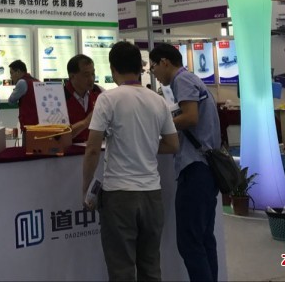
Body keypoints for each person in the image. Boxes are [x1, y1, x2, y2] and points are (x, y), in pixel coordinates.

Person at [83, 41, 178, 281]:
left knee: (121, 270)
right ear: (140, 67)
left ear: (113, 68)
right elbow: (172, 144)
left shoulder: (108, 99)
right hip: (152, 194)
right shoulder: (158, 100)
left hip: (119, 195)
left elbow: (93, 148)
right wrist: (145, 145)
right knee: (151, 267)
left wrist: (86, 188)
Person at [149, 42, 221, 282]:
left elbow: (190, 117)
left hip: (195, 168)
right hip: (206, 169)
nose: (154, 74)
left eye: (153, 67)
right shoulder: (192, 79)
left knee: (190, 241)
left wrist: (160, 126)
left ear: (164, 62)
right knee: (203, 238)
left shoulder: (182, 80)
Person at [64, 54, 103, 142]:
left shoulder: (99, 92)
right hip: (69, 149)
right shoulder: (60, 97)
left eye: (93, 74)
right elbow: (57, 136)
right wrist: (85, 122)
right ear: (72, 76)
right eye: (86, 75)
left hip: (96, 148)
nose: (91, 79)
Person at [7, 60, 40, 130]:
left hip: (28, 126)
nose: (11, 77)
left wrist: (16, 89)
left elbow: (11, 101)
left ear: (18, 72)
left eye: (11, 73)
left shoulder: (21, 82)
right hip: (39, 124)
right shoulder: (37, 81)